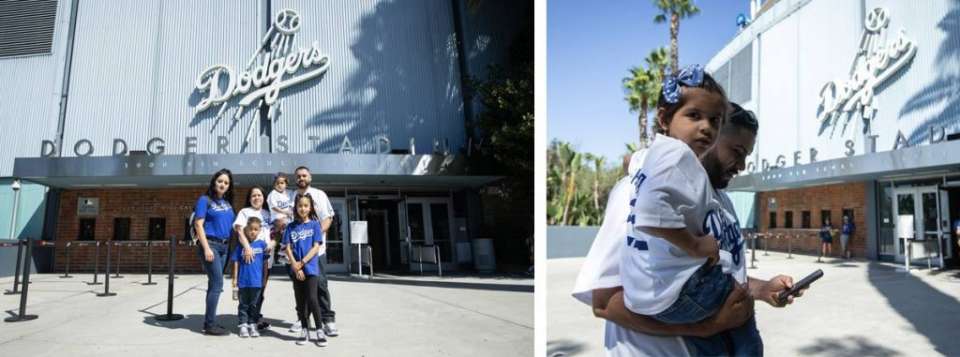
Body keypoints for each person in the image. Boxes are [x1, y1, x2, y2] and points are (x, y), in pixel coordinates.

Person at [577, 101, 805, 356]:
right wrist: (706, 327)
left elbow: (711, 273)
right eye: (737, 151)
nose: (741, 166)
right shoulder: (641, 192)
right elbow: (605, 303)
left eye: (746, 156)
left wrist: (763, 289)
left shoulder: (722, 201)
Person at [620, 65, 761, 355]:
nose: (706, 127)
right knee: (742, 316)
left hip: (652, 297)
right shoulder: (678, 157)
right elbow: (650, 211)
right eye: (694, 116)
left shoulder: (654, 161)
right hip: (674, 296)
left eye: (715, 120)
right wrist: (695, 245)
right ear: (664, 117)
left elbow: (633, 165)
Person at [287, 166, 338, 337]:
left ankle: (328, 320)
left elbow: (328, 219)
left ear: (310, 177)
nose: (301, 178)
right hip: (297, 254)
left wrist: (314, 240)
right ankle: (303, 320)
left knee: (320, 285)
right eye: (298, 176)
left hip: (316, 251)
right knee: (300, 289)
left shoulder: (319, 194)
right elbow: (289, 222)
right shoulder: (292, 196)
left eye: (304, 175)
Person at [194, 168, 237, 336]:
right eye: (220, 181)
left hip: (225, 247)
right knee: (217, 284)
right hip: (211, 245)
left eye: (226, 183)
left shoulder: (227, 203)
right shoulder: (205, 200)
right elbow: (199, 224)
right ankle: (209, 325)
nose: (223, 184)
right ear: (214, 182)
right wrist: (206, 248)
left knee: (214, 284)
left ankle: (209, 321)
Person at [283, 193, 328, 347]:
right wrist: (295, 265)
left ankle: (319, 329)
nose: (302, 208)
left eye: (306, 205)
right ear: (296, 207)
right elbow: (287, 247)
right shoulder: (291, 226)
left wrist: (302, 263)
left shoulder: (315, 225)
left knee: (312, 298)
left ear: (310, 208)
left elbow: (316, 247)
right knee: (300, 301)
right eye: (300, 205)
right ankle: (304, 329)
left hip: (310, 267)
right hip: (296, 268)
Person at [234, 186, 275, 331]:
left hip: (265, 259)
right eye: (253, 195)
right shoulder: (245, 212)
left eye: (259, 195)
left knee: (260, 290)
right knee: (247, 291)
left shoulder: (268, 214)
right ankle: (245, 320)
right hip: (250, 257)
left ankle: (254, 319)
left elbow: (276, 232)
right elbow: (239, 230)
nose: (256, 198)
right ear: (249, 198)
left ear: (264, 198)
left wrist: (273, 243)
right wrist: (247, 247)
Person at [231, 217, 268, 338]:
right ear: (246, 230)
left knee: (254, 305)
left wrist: (264, 279)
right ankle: (243, 325)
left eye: (256, 229)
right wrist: (235, 279)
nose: (253, 232)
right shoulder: (240, 246)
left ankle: (252, 324)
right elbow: (236, 262)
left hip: (256, 282)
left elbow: (265, 264)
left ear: (259, 230)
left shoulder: (262, 245)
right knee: (243, 305)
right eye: (251, 229)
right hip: (243, 281)